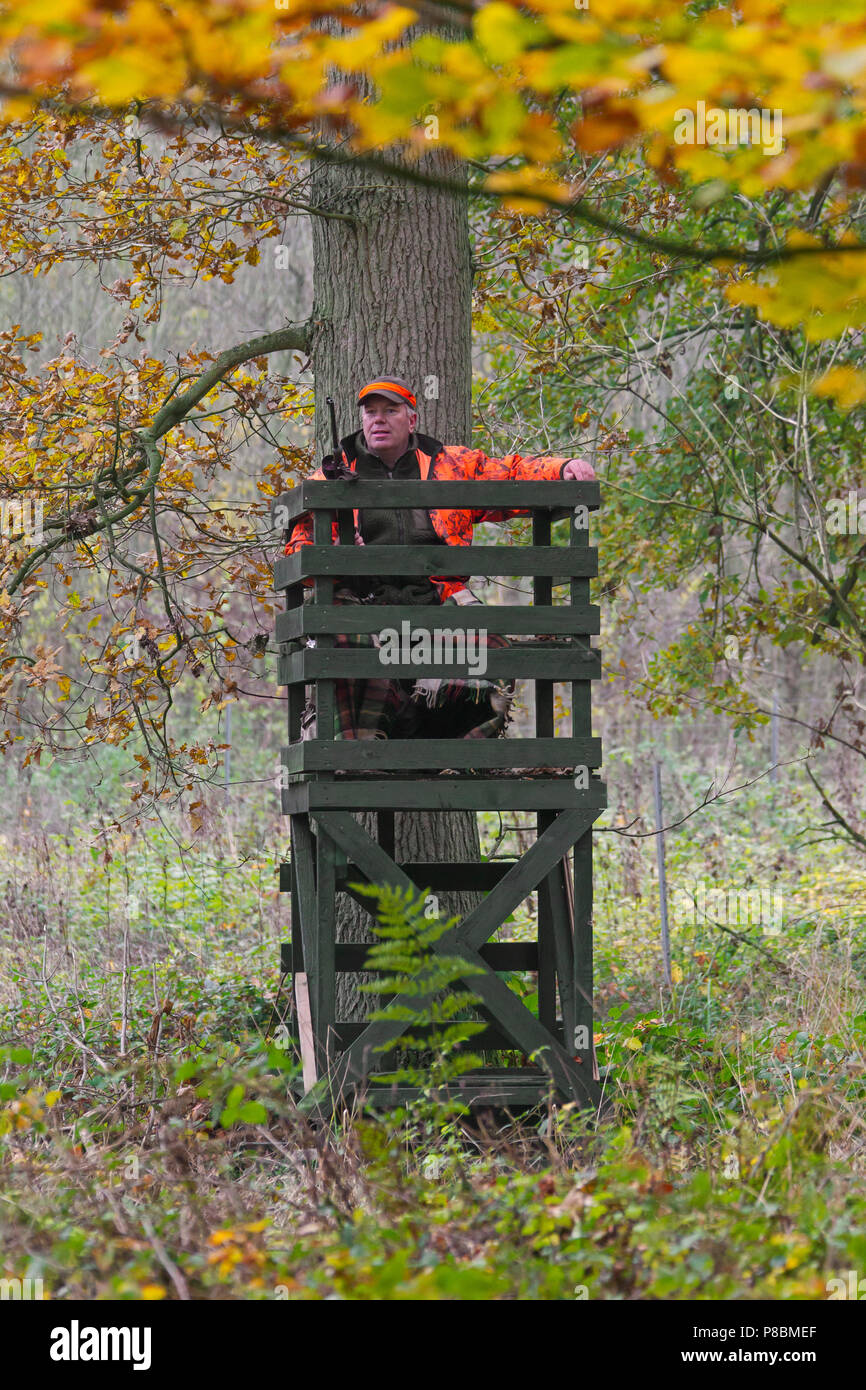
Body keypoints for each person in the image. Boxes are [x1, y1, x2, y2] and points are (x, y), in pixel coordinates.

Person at [284, 375, 595, 745]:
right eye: (371, 412)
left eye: (390, 411)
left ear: (411, 419)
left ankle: (448, 755)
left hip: (436, 599)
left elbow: (508, 473)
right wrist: (339, 552)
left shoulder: (451, 464)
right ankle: (361, 753)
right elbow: (298, 547)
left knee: (495, 652)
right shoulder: (329, 476)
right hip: (360, 601)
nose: (378, 420)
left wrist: (562, 468)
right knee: (342, 646)